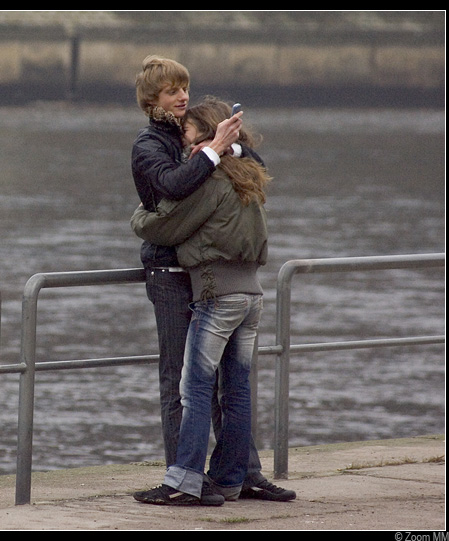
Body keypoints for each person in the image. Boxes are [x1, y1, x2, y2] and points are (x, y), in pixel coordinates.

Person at [129, 56, 294, 504]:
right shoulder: (149, 144)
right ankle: (211, 476)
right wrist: (213, 149)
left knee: (204, 384)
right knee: (191, 382)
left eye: (184, 88)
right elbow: (173, 184)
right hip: (174, 273)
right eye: (172, 91)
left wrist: (222, 147)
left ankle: (214, 477)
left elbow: (166, 218)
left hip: (208, 281)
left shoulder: (213, 157)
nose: (183, 97)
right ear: (152, 99)